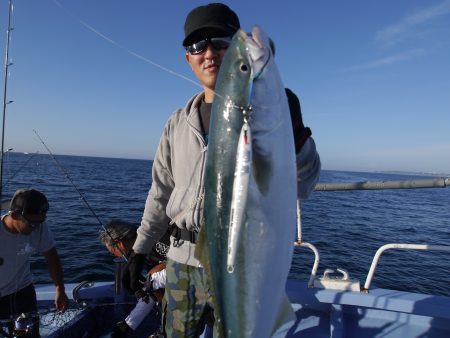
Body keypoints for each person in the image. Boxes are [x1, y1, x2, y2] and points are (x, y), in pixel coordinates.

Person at [122, 3, 321, 337]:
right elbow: (160, 194)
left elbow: (304, 182)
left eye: (219, 39)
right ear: (188, 59)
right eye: (197, 45)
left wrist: (296, 138)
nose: (209, 52)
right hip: (182, 262)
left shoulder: (270, 110)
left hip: (244, 263)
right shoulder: (176, 124)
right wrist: (140, 250)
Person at [0, 188, 68, 338]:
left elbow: (51, 257)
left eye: (41, 221)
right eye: (32, 224)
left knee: (24, 335)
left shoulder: (38, 225)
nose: (36, 227)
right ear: (14, 215)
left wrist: (60, 289)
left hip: (23, 294)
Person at [100, 219, 169, 337]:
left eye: (112, 252)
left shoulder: (160, 236)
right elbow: (150, 294)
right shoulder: (143, 256)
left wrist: (151, 281)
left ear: (119, 244)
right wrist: (129, 324)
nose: (114, 255)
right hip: (185, 288)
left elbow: (188, 267)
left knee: (153, 276)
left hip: (200, 278)